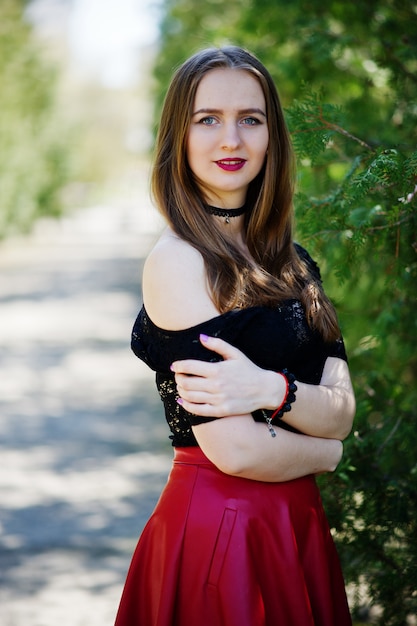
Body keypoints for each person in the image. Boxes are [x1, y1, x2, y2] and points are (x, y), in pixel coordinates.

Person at [115, 45, 356, 626]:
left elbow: (342, 409)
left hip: (296, 527)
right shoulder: (177, 262)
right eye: (208, 120)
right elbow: (237, 449)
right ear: (181, 135)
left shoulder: (295, 264)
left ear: (272, 136)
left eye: (250, 119)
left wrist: (270, 391)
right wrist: (329, 453)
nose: (232, 140)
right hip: (222, 533)